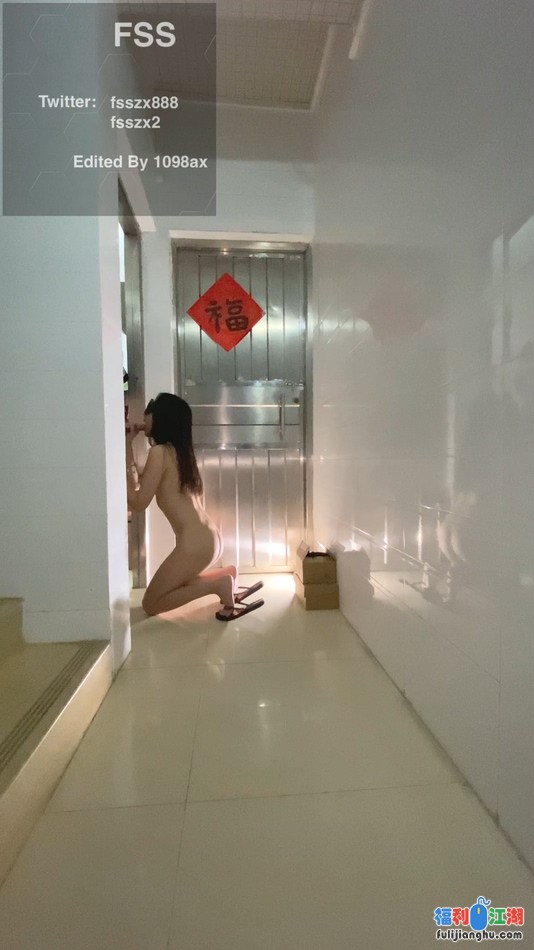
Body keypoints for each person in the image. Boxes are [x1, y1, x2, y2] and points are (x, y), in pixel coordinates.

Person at [126, 393, 264, 621]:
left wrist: (125, 452)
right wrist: (128, 445)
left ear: (160, 418)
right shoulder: (179, 453)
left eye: (148, 414)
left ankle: (219, 585)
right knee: (178, 581)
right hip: (209, 540)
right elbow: (139, 482)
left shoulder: (159, 452)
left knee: (151, 603)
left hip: (195, 545)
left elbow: (138, 502)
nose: (143, 419)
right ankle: (226, 575)